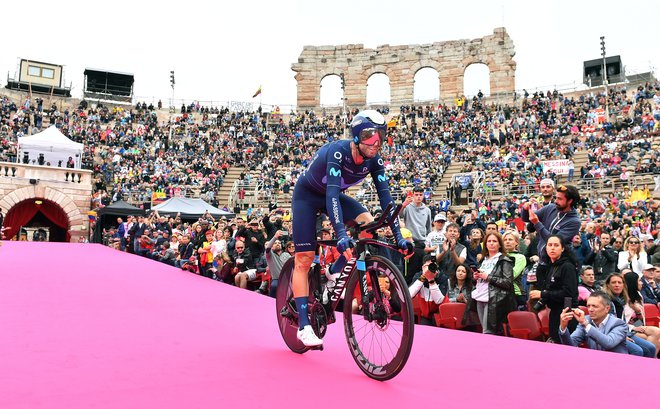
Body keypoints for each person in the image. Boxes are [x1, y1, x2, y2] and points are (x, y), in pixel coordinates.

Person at [290, 110, 413, 347]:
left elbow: (386, 199)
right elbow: (332, 196)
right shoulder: (338, 152)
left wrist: (398, 236)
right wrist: (341, 233)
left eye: (381, 135)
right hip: (307, 197)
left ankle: (333, 271)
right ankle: (304, 326)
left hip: (332, 196)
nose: (376, 142)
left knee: (368, 222)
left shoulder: (374, 159)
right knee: (304, 259)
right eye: (369, 135)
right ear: (356, 136)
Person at [521, 184, 581, 290]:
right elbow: (527, 219)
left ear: (570, 201)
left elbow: (553, 241)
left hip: (559, 266)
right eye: (556, 197)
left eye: (559, 198)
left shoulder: (574, 221)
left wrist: (537, 223)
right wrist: (525, 209)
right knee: (535, 300)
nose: (556, 201)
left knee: (552, 299)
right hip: (542, 263)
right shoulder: (551, 207)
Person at [528, 235, 579, 343]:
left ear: (563, 248)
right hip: (555, 313)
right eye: (549, 245)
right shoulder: (551, 266)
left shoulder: (567, 267)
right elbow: (548, 288)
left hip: (567, 314)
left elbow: (568, 293)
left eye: (556, 245)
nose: (552, 248)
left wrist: (542, 294)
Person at [464, 232, 515, 335]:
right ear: (485, 244)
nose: (491, 243)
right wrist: (475, 277)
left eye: (494, 241)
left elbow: (507, 283)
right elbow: (477, 281)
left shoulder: (504, 260)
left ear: (500, 244)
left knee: (488, 332)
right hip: (479, 297)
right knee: (485, 329)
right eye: (489, 241)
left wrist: (488, 277)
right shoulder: (483, 260)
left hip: (494, 299)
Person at [603, 273, 655, 357]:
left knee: (652, 345)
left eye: (620, 283)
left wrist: (638, 312)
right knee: (639, 350)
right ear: (608, 285)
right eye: (614, 282)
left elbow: (642, 322)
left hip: (627, 329)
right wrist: (633, 327)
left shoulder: (632, 297)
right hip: (615, 332)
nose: (617, 285)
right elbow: (608, 323)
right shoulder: (606, 300)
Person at [558, 292, 628, 354]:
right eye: (588, 306)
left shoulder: (619, 324)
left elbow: (608, 343)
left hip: (616, 364)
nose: (590, 310)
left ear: (607, 308)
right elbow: (570, 345)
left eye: (595, 306)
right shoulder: (586, 320)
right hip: (595, 363)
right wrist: (563, 327)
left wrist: (585, 324)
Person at [623, 272, 659, 357]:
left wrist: (637, 311)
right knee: (649, 339)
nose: (642, 283)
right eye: (639, 281)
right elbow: (621, 321)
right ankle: (649, 360)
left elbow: (641, 320)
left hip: (636, 325)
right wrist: (634, 328)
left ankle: (651, 360)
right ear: (633, 283)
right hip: (627, 329)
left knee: (657, 331)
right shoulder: (624, 298)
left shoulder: (638, 295)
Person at [402, 186, 432, 279]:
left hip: (423, 243)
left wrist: (428, 242)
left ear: (423, 196)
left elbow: (428, 228)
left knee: (422, 271)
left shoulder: (427, 210)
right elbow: (397, 215)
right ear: (413, 195)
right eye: (416, 195)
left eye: (420, 195)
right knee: (410, 272)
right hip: (411, 243)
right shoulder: (407, 207)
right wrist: (403, 205)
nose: (418, 197)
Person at [408, 255, 446, 325]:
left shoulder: (442, 277)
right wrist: (423, 277)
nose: (429, 268)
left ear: (437, 267)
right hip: (425, 315)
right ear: (423, 267)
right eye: (427, 266)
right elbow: (409, 294)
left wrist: (431, 280)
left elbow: (439, 300)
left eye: (432, 266)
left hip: (440, 314)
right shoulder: (419, 275)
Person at [502, 230, 527, 309]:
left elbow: (512, 275)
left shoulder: (520, 257)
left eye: (510, 239)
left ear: (516, 243)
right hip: (500, 293)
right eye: (505, 240)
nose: (507, 242)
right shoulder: (499, 256)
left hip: (516, 294)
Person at [264, 231, 292, 297]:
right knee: (274, 286)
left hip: (288, 278)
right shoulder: (270, 255)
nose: (277, 244)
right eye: (275, 243)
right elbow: (267, 247)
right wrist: (275, 237)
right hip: (277, 279)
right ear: (272, 246)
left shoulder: (287, 254)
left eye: (279, 243)